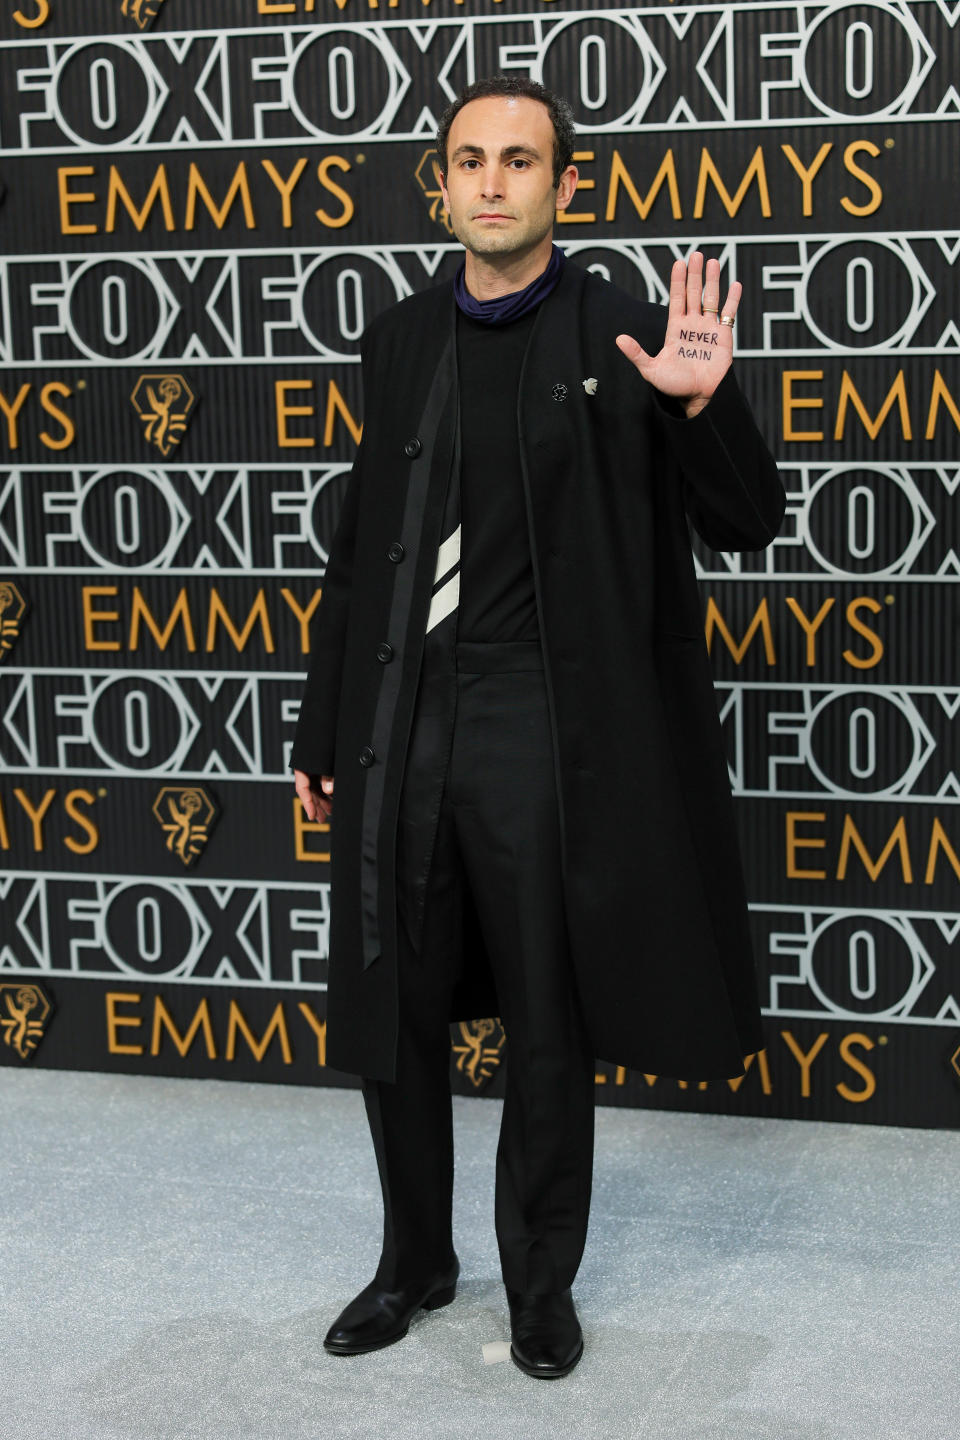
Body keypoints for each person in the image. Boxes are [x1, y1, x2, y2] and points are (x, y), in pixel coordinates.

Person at [292, 75, 785, 1379]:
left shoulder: (627, 331)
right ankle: (414, 1265)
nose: (494, 180)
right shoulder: (397, 341)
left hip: (543, 733)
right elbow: (359, 559)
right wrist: (317, 735)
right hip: (404, 721)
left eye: (521, 159)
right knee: (392, 1008)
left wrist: (700, 399)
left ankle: (538, 1288)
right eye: (471, 159)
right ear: (441, 186)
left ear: (567, 186)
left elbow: (747, 521)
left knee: (545, 1024)